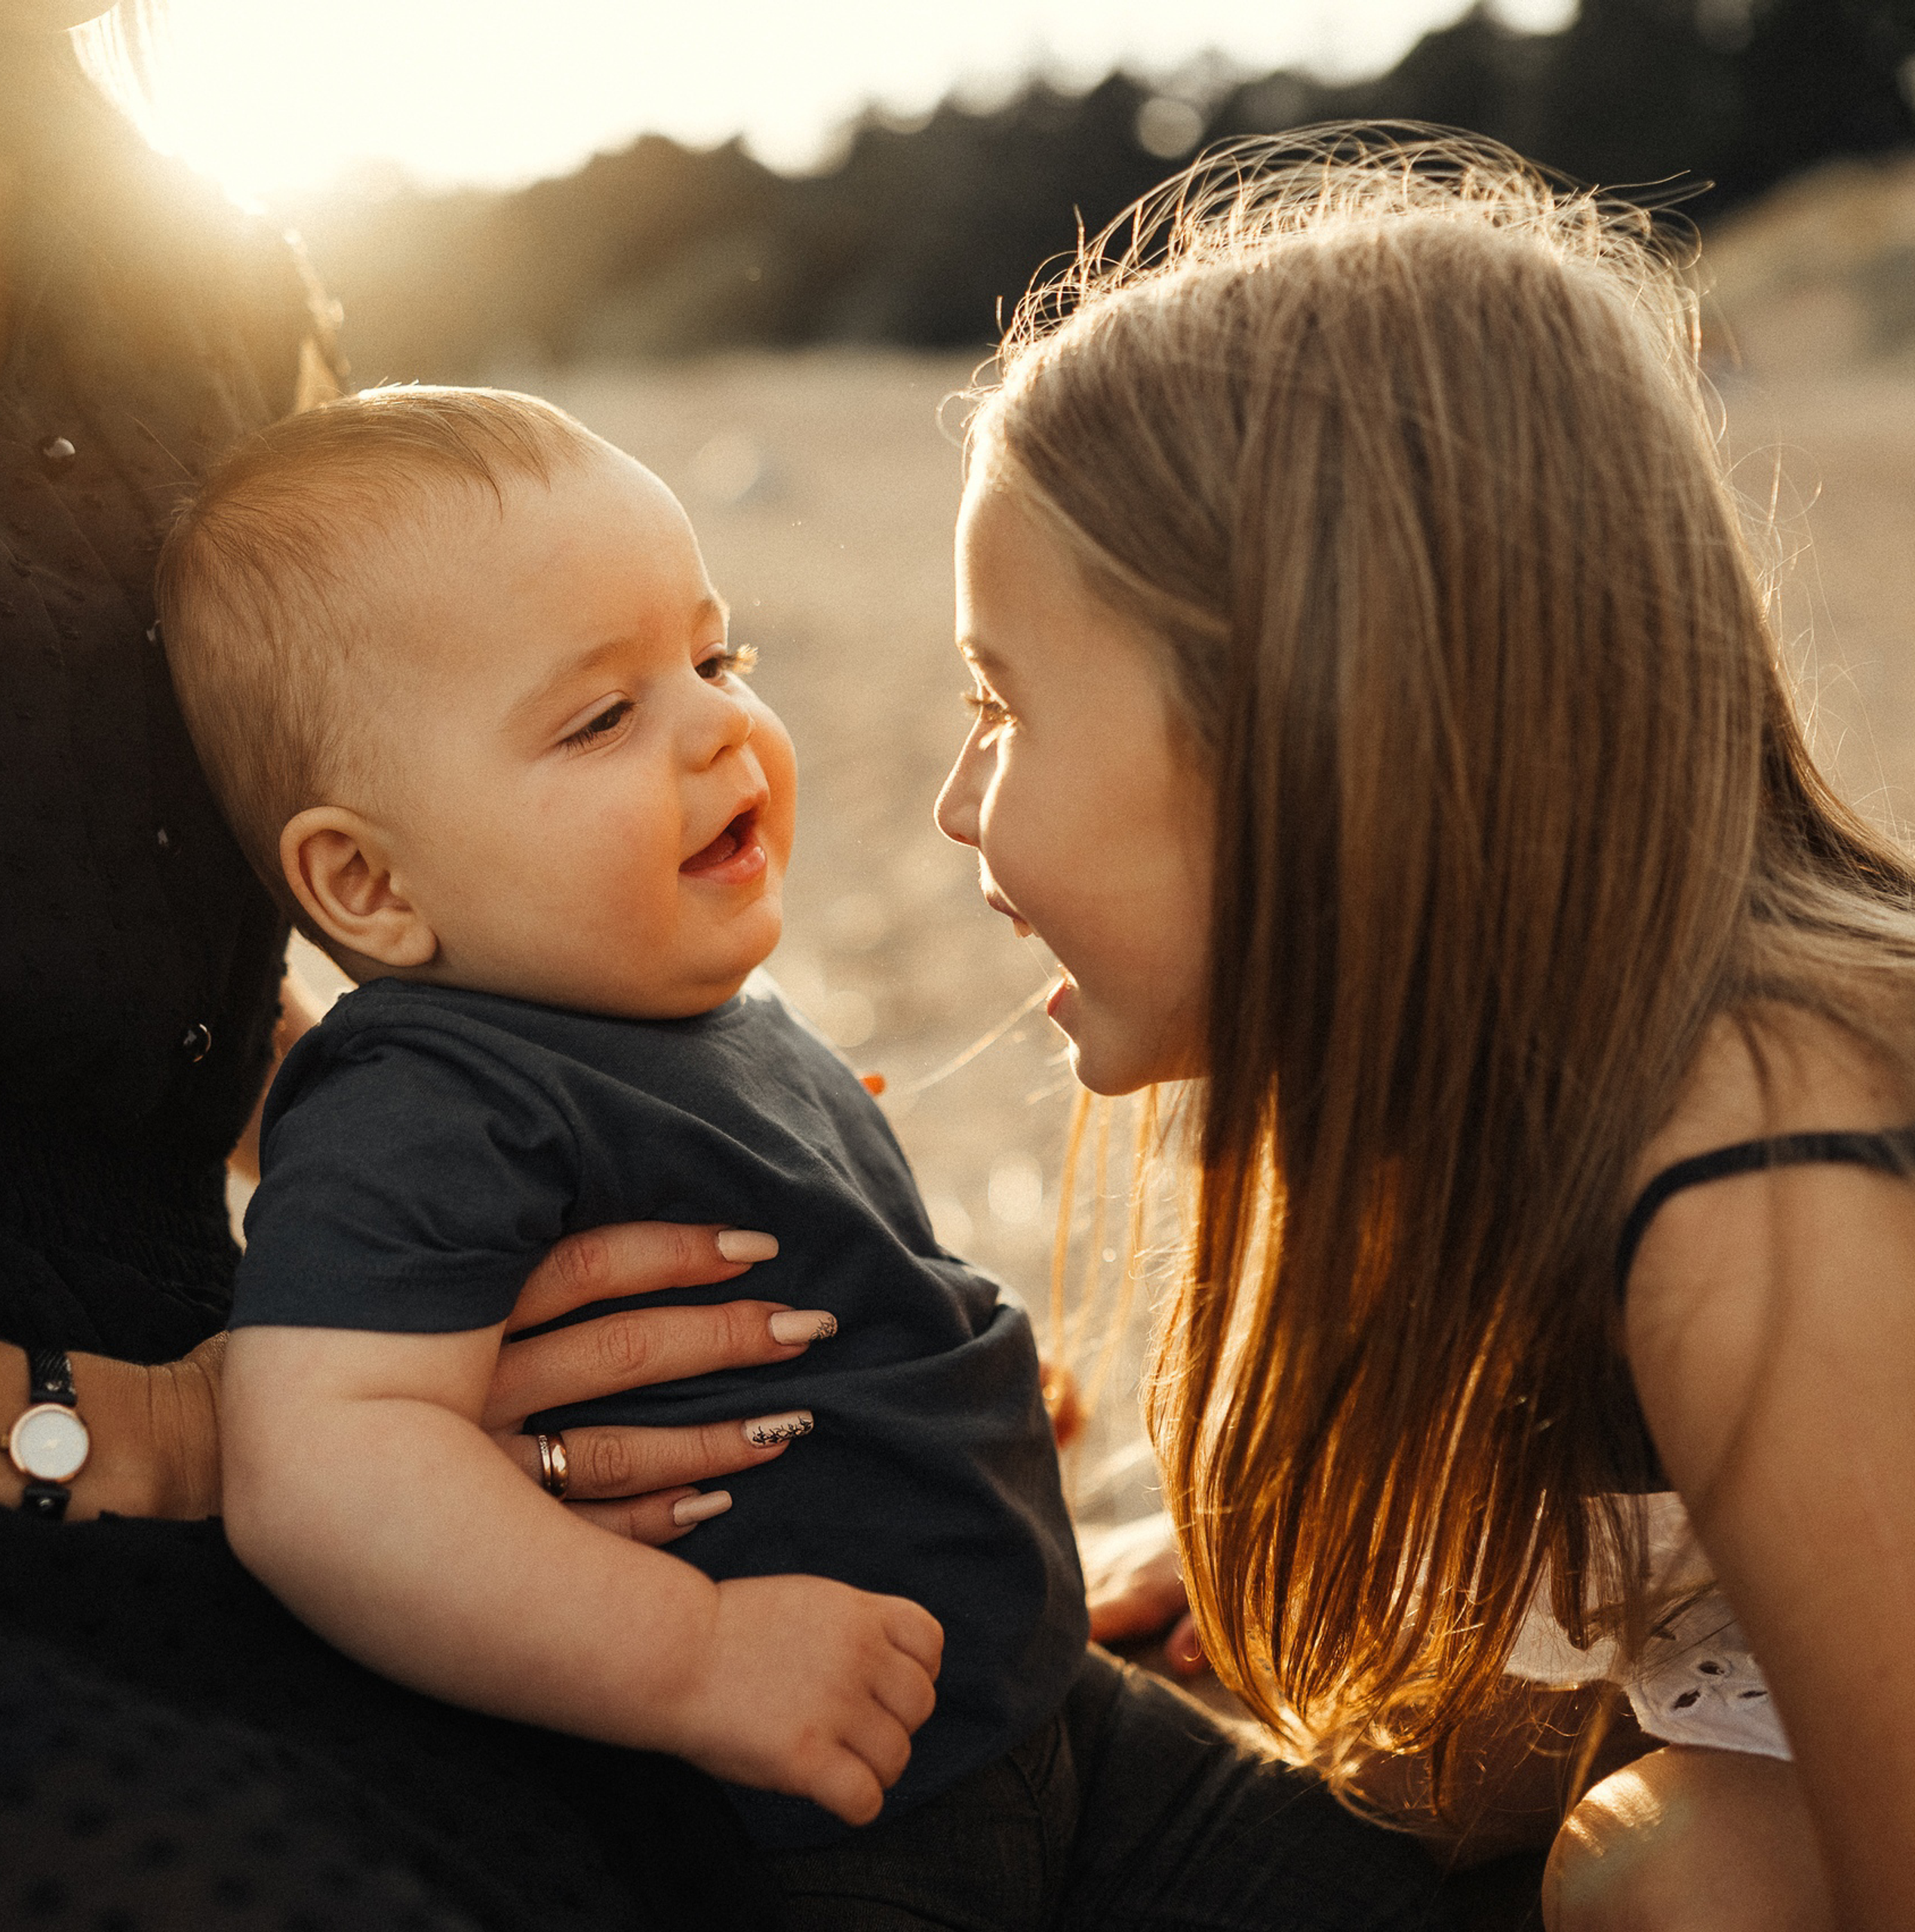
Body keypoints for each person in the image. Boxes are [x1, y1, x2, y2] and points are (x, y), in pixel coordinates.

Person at [155, 382, 1454, 1932]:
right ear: (366, 882)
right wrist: (690, 1655)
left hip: (1052, 1713)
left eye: (715, 660)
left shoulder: (670, 996)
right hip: (817, 1819)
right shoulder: (427, 1098)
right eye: (601, 715)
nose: (719, 724)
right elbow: (321, 1473)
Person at [932, 130, 1913, 1932]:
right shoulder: (1526, 1099)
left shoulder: (1759, 1161)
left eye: (999, 702)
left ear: (1295, 730)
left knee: (1667, 1879)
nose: (950, 800)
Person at [0, 7, 855, 1926]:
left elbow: (179, 919)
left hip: (284, 1398)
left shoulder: (200, 271)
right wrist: (160, 1431)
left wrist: (580, 1170)